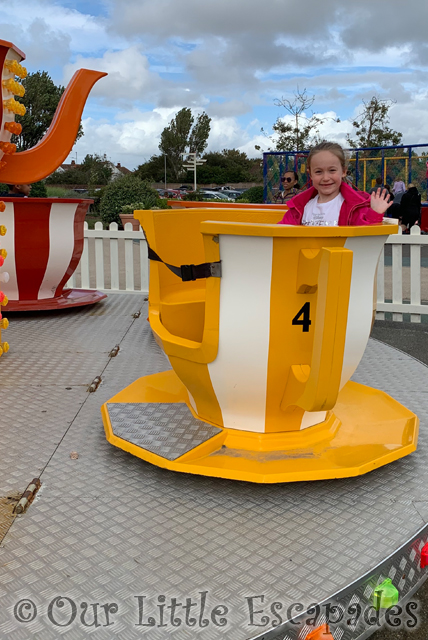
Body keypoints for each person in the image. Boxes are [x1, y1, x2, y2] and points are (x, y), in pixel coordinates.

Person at [278, 141, 392, 227]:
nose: (326, 178)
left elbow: (364, 238)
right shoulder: (300, 207)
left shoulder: (355, 207)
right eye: (318, 172)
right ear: (311, 174)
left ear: (343, 171)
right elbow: (281, 231)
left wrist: (375, 213)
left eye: (332, 170)